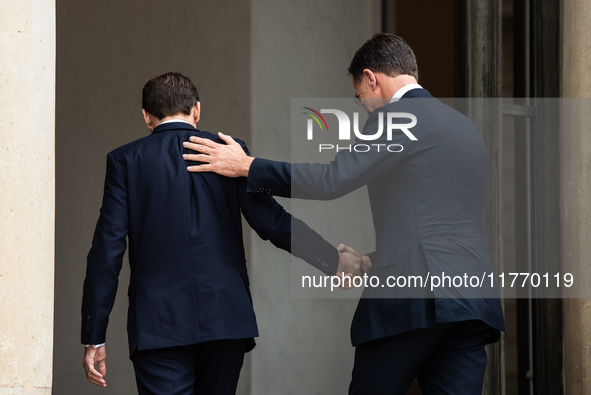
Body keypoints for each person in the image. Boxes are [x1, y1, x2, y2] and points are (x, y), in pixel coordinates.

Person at [182, 34, 506, 394]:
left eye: (359, 97)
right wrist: (370, 262)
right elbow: (438, 224)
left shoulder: (396, 118)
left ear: (372, 79)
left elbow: (332, 180)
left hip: (413, 299)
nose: (364, 107)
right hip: (473, 301)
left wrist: (247, 166)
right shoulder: (466, 128)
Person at [80, 72, 363, 395]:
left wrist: (95, 334)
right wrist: (333, 260)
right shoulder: (230, 152)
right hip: (226, 318)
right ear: (196, 111)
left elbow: (106, 251)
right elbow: (272, 221)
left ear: (146, 117)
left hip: (158, 324)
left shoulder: (125, 161)